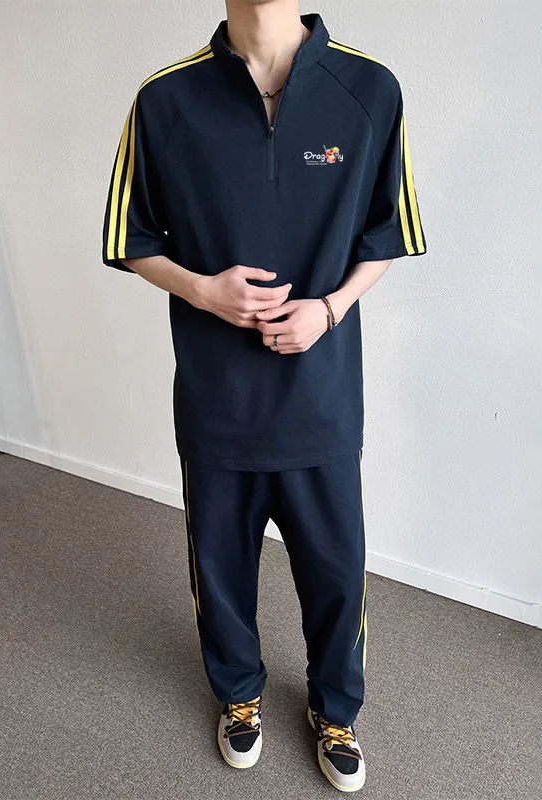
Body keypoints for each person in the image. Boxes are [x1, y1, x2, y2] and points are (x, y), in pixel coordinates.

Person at [102, 0, 426, 792]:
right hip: (217, 397)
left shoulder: (370, 89)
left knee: (338, 571)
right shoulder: (164, 99)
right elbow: (128, 236)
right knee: (218, 567)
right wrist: (202, 291)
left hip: (321, 398)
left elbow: (390, 232)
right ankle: (239, 692)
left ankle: (336, 709)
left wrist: (330, 309)